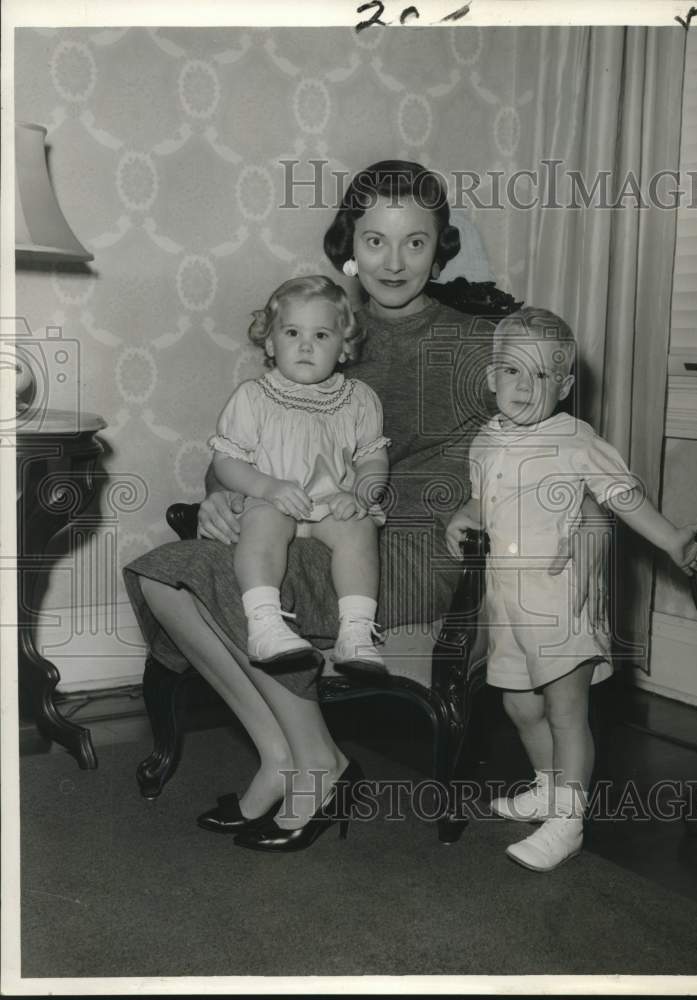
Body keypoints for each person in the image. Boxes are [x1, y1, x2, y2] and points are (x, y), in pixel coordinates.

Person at [124, 159, 498, 852]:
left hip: (405, 539)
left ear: (440, 246)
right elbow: (256, 435)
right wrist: (220, 498)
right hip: (300, 516)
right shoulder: (320, 319)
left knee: (186, 576)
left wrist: (477, 502)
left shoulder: (475, 340)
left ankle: (317, 764)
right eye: (375, 240)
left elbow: (518, 441)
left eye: (415, 242)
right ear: (348, 244)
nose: (393, 260)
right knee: (161, 577)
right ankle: (286, 754)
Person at [445, 306, 697, 872]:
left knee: (567, 713)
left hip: (560, 603)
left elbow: (622, 496)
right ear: (492, 377)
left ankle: (568, 821)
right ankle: (547, 788)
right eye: (514, 372)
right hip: (507, 608)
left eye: (543, 376)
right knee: (520, 706)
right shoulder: (485, 440)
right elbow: (483, 499)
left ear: (564, 386)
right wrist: (464, 517)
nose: (525, 386)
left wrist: (670, 539)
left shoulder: (574, 438)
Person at [209, 275, 389, 674]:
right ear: (271, 343)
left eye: (322, 335)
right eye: (292, 332)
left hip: (329, 506)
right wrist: (267, 487)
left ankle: (356, 633)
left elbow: (373, 460)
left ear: (344, 348)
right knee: (262, 523)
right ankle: (265, 625)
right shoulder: (254, 398)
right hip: (273, 500)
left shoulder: (358, 399)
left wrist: (359, 494)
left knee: (359, 527)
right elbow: (227, 461)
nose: (306, 345)